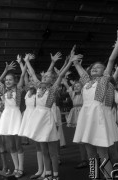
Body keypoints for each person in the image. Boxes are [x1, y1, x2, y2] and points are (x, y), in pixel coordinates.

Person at [72, 27, 118, 179]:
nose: (94, 69)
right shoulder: (86, 82)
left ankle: (108, 176)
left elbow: (112, 60)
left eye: (99, 67)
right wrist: (76, 63)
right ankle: (93, 175)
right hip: (86, 118)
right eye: (93, 67)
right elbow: (80, 69)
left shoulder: (105, 80)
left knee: (102, 152)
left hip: (99, 117)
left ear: (105, 71)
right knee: (90, 151)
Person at [23, 49, 83, 180]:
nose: (45, 78)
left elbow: (60, 76)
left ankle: (55, 175)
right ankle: (48, 174)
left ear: (53, 80)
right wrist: (27, 61)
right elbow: (32, 73)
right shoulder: (38, 86)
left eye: (49, 77)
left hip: (47, 119)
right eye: (44, 76)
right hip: (37, 119)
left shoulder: (53, 89)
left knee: (52, 151)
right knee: (43, 150)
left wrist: (69, 63)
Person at [0, 56, 27, 178]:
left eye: (10, 79)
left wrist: (24, 63)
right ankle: (15, 167)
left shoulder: (18, 89)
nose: (7, 81)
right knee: (11, 146)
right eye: (6, 80)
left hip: (15, 116)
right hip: (6, 117)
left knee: (18, 145)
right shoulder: (2, 89)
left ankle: (21, 168)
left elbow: (24, 72)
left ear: (14, 80)